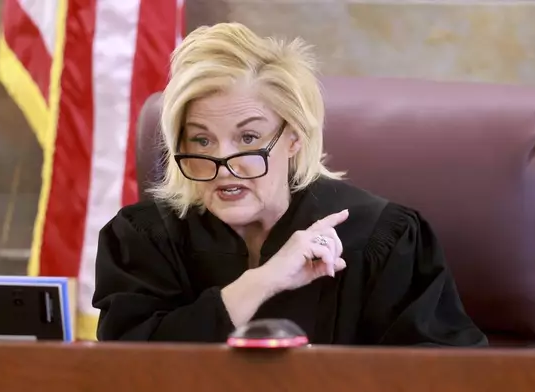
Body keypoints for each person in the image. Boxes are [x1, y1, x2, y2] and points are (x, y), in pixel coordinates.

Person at [92, 23, 487, 347]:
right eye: (201, 140)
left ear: (293, 138)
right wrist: (263, 280)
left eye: (248, 139)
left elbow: (442, 374)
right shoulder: (144, 239)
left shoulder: (383, 238)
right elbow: (132, 370)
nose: (223, 165)